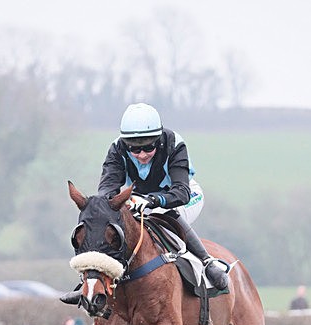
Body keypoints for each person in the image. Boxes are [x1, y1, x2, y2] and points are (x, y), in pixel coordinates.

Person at [61, 102, 229, 304]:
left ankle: (207, 261)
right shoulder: (116, 149)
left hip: (183, 197)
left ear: (158, 141)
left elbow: (181, 192)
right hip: (137, 198)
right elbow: (107, 190)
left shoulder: (174, 144)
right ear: (126, 144)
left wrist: (152, 200)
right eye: (134, 149)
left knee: (165, 212)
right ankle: (89, 283)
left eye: (148, 147)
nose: (141, 155)